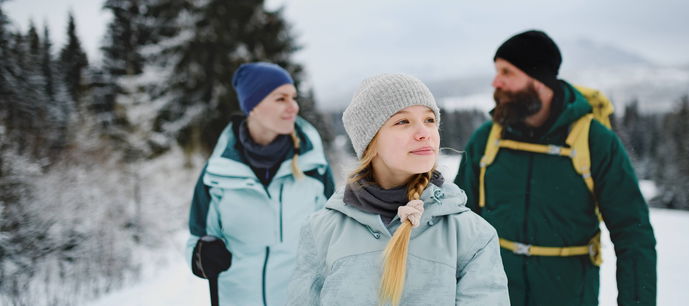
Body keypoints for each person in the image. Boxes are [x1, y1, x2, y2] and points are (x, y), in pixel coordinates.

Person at [454, 30, 657, 306]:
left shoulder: (595, 142)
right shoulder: (487, 140)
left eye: (507, 72)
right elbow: (457, 226)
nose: (495, 81)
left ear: (538, 81)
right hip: (494, 297)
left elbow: (633, 235)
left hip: (569, 296)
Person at [286, 73, 510, 306]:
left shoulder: (472, 236)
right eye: (403, 121)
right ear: (370, 141)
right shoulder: (321, 230)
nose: (424, 132)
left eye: (430, 120)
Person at [186, 62, 335, 306]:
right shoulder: (217, 174)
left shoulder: (313, 167)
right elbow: (197, 239)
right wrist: (200, 257)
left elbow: (333, 235)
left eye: (293, 98)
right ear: (252, 105)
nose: (293, 107)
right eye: (280, 99)